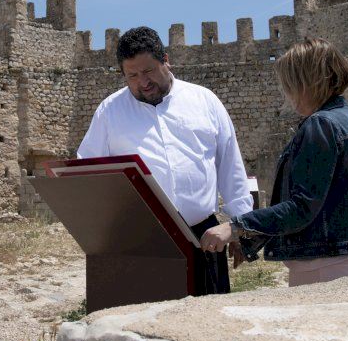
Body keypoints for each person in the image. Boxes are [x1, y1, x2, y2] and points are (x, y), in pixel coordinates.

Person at [77, 26, 253, 294]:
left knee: (208, 318)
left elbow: (230, 167)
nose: (143, 82)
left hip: (203, 238)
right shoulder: (109, 112)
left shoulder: (204, 101)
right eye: (132, 75)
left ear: (166, 60)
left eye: (148, 71)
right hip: (139, 243)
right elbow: (87, 173)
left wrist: (240, 226)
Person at [200, 38, 348, 286]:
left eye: (289, 84)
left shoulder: (321, 125)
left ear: (307, 82)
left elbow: (302, 207)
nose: (287, 93)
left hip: (325, 265)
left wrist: (235, 227)